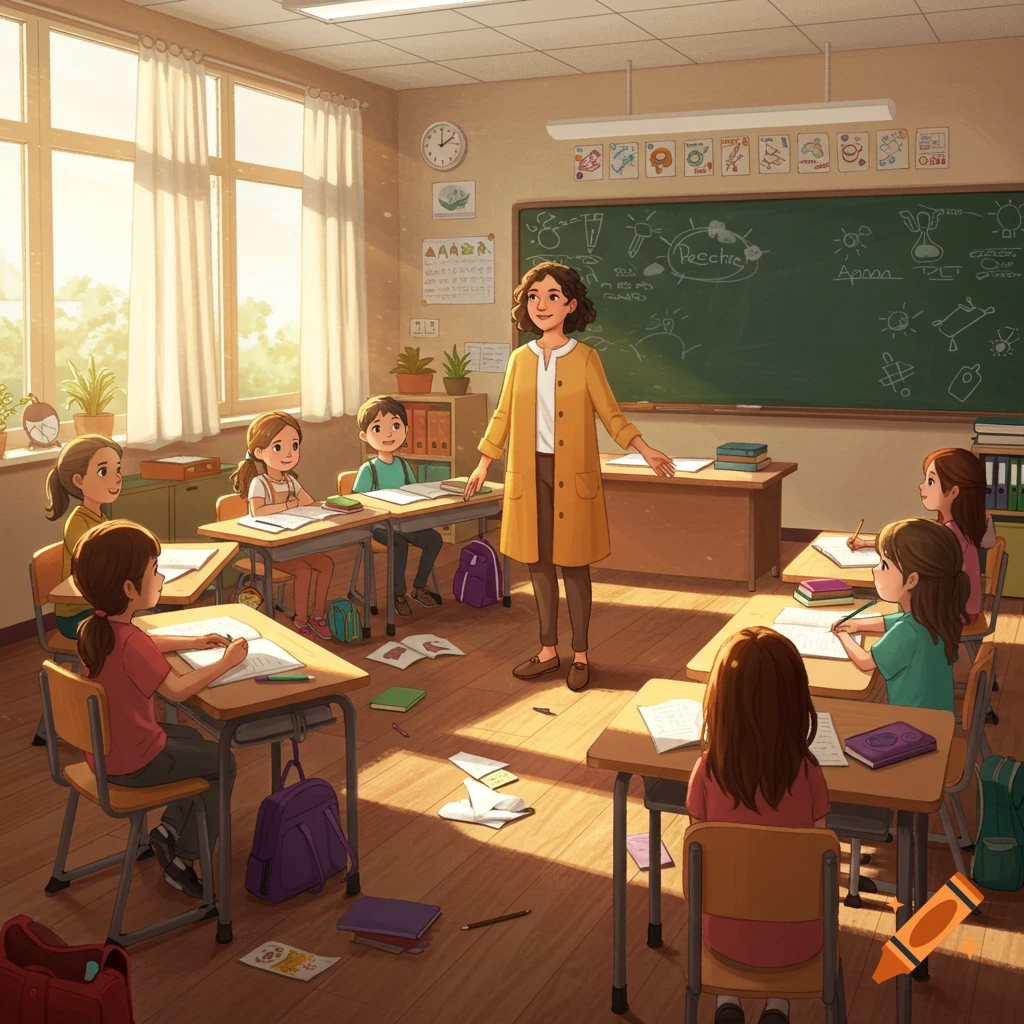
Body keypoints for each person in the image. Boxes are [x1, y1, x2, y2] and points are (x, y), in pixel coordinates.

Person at [464, 261, 674, 691]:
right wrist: (485, 462)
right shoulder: (520, 359)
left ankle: (580, 654)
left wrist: (644, 448)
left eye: (553, 296)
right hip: (528, 472)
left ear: (571, 305)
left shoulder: (585, 359)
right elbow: (502, 414)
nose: (542, 305)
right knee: (538, 564)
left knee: (573, 565)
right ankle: (547, 651)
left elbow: (610, 414)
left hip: (571, 475)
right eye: (534, 296)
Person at [72, 520, 248, 897]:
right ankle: (184, 859)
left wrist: (195, 640)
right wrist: (227, 662)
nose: (162, 576)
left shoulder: (96, 627)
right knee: (222, 761)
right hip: (134, 763)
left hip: (104, 752)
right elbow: (180, 691)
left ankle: (167, 831)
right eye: (155, 570)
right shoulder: (132, 643)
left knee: (188, 738)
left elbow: (146, 642)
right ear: (130, 588)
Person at [686, 626, 831, 1024]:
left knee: (733, 891)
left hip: (723, 938)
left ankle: (727, 1002)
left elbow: (706, 862)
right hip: (799, 939)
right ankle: (777, 1006)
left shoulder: (705, 773)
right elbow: (812, 865)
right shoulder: (810, 775)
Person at [847, 447, 995, 624]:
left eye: (931, 481)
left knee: (900, 594)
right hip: (961, 606)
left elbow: (915, 550)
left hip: (956, 611)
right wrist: (866, 543)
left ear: (954, 492)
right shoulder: (956, 526)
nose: (921, 485)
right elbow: (911, 543)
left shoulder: (951, 533)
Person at [833, 517, 968, 712]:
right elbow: (892, 620)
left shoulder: (907, 631)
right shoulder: (935, 614)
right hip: (938, 717)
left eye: (884, 565)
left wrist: (842, 635)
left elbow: (865, 662)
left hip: (912, 726)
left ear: (912, 580)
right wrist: (858, 625)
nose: (875, 569)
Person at [231, 411, 335, 641]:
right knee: (304, 570)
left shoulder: (290, 480)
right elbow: (257, 511)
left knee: (326, 564)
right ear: (260, 452)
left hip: (292, 543)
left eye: (294, 446)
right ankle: (301, 618)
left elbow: (310, 503)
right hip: (267, 549)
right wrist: (289, 504)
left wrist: (321, 508)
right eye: (278, 447)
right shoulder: (259, 483)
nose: (289, 453)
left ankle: (318, 615)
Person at [352, 396, 442, 617]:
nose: (389, 434)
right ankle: (397, 594)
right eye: (378, 428)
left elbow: (414, 491)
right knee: (398, 544)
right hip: (381, 526)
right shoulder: (368, 469)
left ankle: (419, 586)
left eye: (395, 426)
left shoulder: (403, 465)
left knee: (434, 539)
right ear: (365, 436)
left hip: (406, 521)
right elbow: (357, 502)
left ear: (405, 430)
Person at [44, 434, 124, 639]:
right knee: (130, 629)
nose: (116, 478)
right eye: (103, 471)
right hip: (77, 614)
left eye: (118, 470)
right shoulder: (78, 523)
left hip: (96, 605)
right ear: (79, 480)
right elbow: (96, 566)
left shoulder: (100, 518)